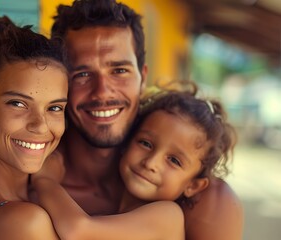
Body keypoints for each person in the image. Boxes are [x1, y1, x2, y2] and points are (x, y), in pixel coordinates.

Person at [50, 0, 244, 239]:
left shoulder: (200, 201)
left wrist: (43, 182)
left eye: (119, 70)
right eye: (82, 74)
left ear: (143, 78)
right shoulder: (27, 173)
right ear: (59, 82)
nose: (102, 92)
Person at [33, 84, 237, 239]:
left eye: (174, 160)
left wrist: (45, 179)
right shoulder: (112, 210)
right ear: (126, 143)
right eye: (146, 144)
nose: (151, 163)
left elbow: (77, 230)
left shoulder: (168, 216)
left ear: (193, 185)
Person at [0, 16, 68, 239]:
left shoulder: (20, 204)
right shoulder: (23, 223)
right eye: (18, 104)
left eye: (54, 108)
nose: (40, 125)